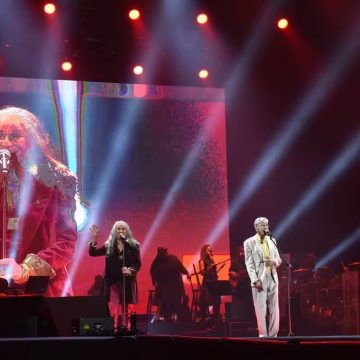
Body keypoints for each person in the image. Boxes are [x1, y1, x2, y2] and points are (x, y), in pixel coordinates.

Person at [0, 106, 78, 296]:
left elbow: (66, 242)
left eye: (15, 135)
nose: (5, 142)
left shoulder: (59, 179)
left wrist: (26, 270)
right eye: (1, 135)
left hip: (42, 290)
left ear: (33, 139)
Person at [89, 221, 141, 331]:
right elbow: (93, 253)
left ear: (127, 231)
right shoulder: (109, 246)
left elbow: (137, 263)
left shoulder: (133, 246)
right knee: (113, 307)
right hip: (112, 281)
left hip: (127, 281)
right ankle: (113, 329)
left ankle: (127, 329)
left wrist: (130, 270)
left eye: (123, 229)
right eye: (118, 229)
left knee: (127, 307)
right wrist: (94, 237)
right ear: (114, 231)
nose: (121, 231)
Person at [244, 217, 282, 337]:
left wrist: (274, 262)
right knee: (261, 309)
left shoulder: (272, 240)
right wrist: (255, 280)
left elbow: (279, 259)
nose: (266, 227)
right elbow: (249, 264)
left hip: (273, 276)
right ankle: (263, 336)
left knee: (274, 308)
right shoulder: (249, 242)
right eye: (263, 225)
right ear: (256, 227)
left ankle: (273, 335)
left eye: (267, 225)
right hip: (259, 279)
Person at [150, 247, 190, 322]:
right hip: (164, 285)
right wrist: (155, 282)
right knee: (164, 298)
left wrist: (186, 273)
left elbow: (180, 267)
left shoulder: (173, 259)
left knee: (176, 299)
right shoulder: (157, 262)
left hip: (176, 284)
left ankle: (175, 316)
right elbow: (152, 272)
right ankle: (166, 316)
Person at [198, 244, 221, 321]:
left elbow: (213, 272)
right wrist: (206, 270)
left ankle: (216, 317)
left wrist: (218, 269)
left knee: (216, 300)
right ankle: (204, 317)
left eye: (211, 250)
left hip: (214, 282)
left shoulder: (211, 260)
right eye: (209, 250)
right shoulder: (202, 260)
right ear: (205, 251)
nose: (211, 251)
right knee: (206, 301)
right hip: (207, 283)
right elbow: (202, 272)